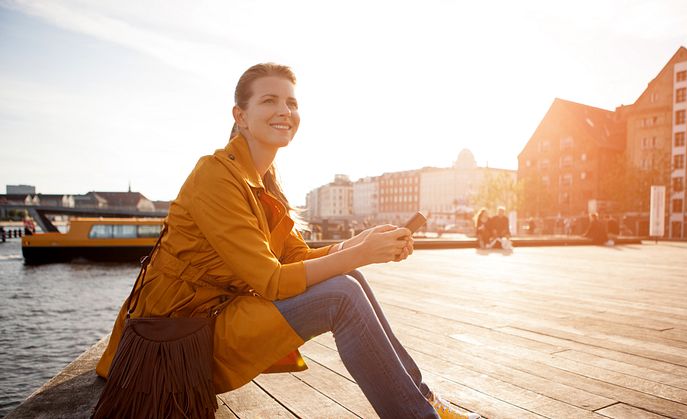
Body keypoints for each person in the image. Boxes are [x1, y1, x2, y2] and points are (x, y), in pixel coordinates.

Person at [96, 63, 479, 418]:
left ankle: (425, 400)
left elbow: (296, 256)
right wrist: (361, 253)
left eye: (291, 103)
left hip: (208, 324)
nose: (285, 111)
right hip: (168, 344)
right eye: (269, 100)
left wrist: (360, 244)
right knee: (341, 294)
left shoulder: (265, 182)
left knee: (351, 282)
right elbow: (272, 281)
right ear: (240, 116)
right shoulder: (214, 176)